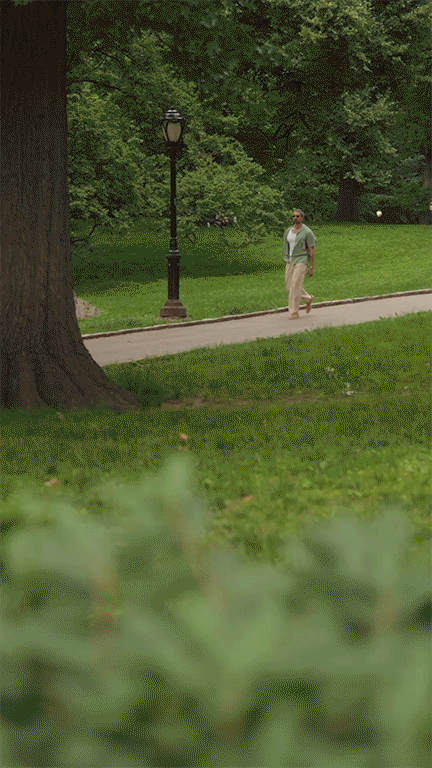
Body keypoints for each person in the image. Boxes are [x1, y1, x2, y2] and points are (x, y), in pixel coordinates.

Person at [282, 209, 316, 319]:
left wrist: (311, 267)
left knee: (295, 284)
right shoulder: (288, 231)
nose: (295, 218)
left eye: (297, 216)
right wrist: (285, 257)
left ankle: (294, 311)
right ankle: (308, 299)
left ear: (302, 218)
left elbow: (311, 250)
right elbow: (285, 245)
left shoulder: (307, 232)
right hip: (290, 259)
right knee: (289, 285)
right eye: (294, 216)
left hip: (301, 259)